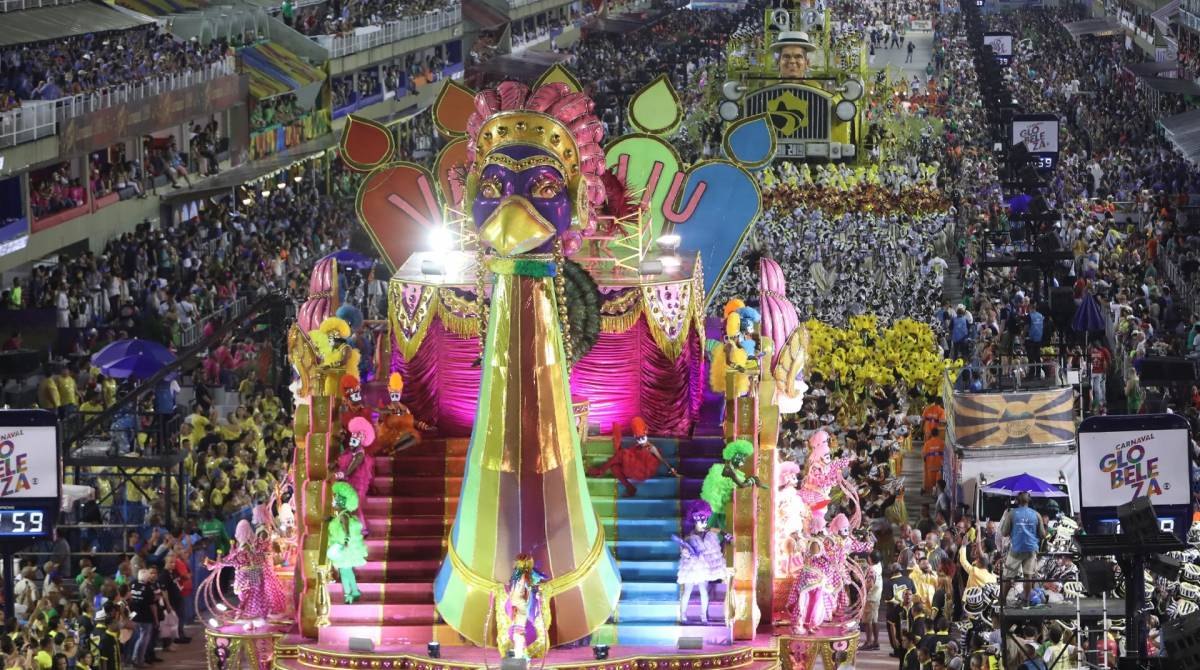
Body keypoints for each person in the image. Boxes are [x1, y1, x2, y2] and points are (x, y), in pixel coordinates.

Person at [1000, 491, 1047, 606]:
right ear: (1028, 501)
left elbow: (1004, 532)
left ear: (1017, 501)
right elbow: (1043, 535)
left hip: (1016, 550)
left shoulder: (1012, 514)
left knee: (1007, 576)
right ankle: (1026, 602)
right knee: (1028, 577)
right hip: (1031, 551)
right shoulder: (1036, 515)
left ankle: (1002, 601)